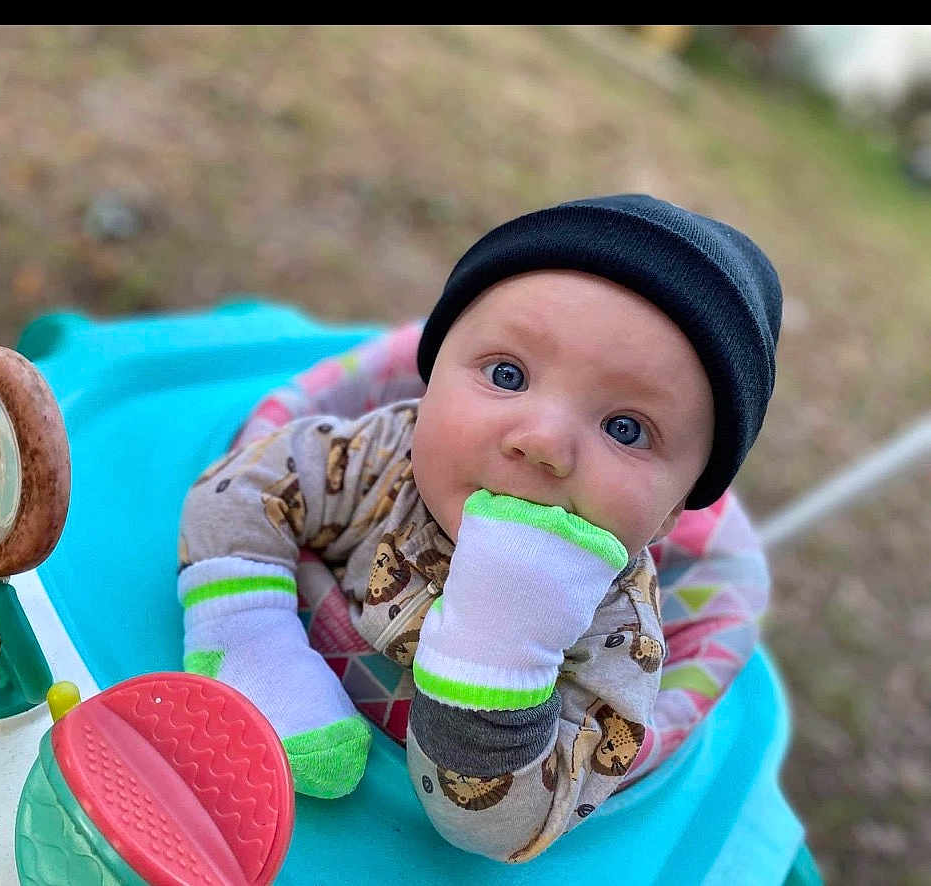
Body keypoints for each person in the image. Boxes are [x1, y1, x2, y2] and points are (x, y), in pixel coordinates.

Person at [175, 194, 782, 862]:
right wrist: (251, 635)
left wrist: (501, 653)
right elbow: (240, 488)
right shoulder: (385, 456)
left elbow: (503, 830)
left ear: (670, 515)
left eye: (625, 428)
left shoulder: (619, 638)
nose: (544, 441)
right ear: (427, 380)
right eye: (507, 374)